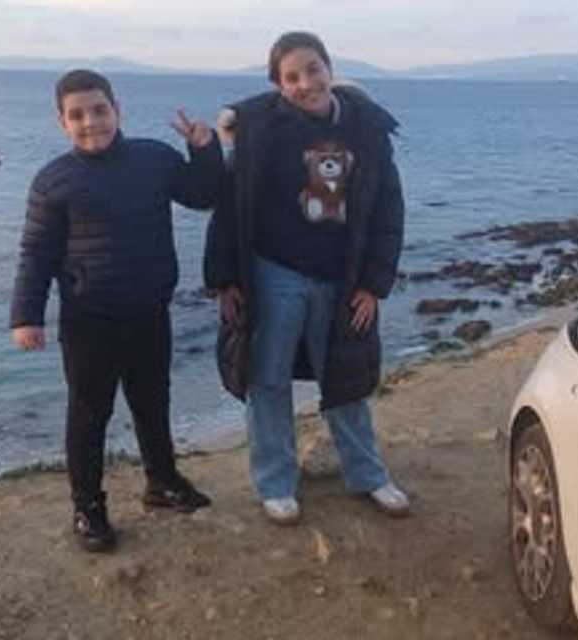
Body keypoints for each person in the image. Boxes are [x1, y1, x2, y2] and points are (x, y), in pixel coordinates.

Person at [10, 69, 222, 552]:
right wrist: (26, 316)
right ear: (63, 122)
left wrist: (204, 149)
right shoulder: (53, 181)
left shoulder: (154, 158)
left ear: (117, 110)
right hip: (88, 320)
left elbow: (204, 195)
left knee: (152, 401)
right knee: (89, 414)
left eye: (99, 110)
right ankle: (88, 507)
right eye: (77, 115)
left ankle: (162, 481)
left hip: (149, 310)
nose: (91, 122)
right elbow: (36, 254)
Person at [204, 31, 409, 525]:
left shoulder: (366, 127)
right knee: (268, 379)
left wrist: (373, 285)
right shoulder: (262, 131)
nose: (305, 84)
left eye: (313, 70)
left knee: (346, 380)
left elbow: (388, 209)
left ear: (329, 68)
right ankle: (276, 483)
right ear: (277, 85)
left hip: (343, 276)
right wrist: (224, 278)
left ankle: (367, 474)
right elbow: (230, 206)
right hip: (275, 271)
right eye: (291, 77)